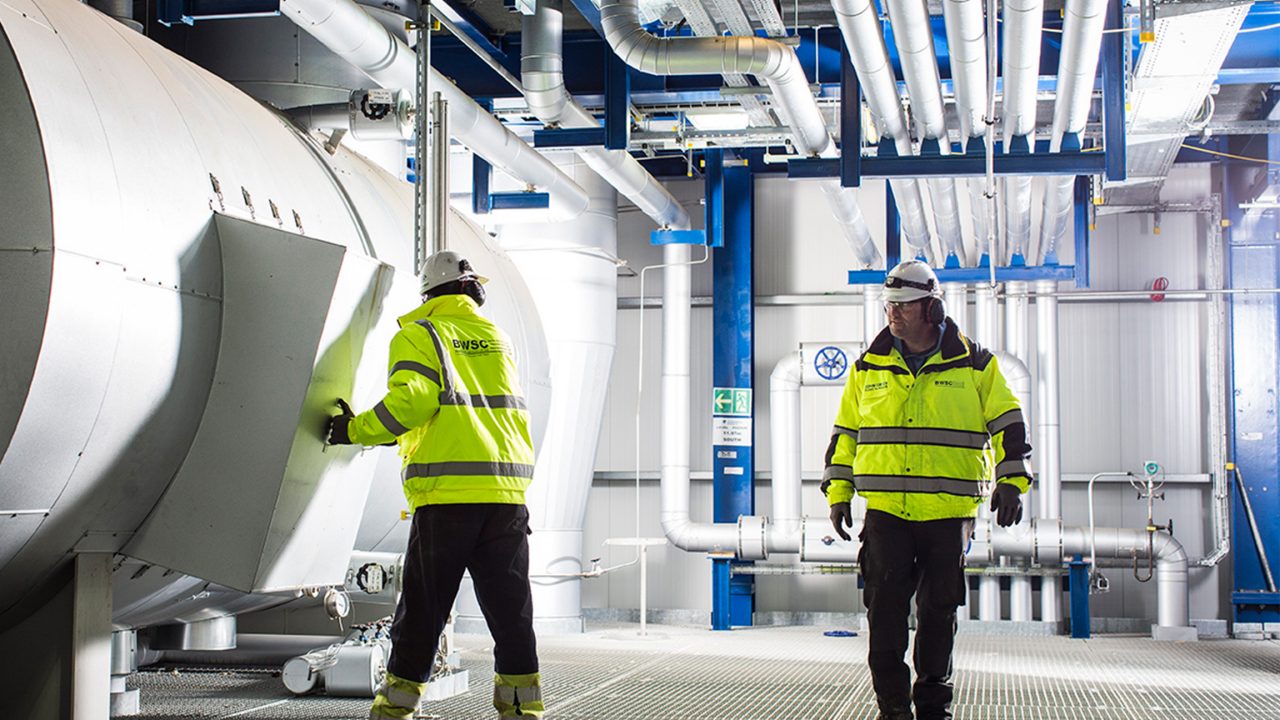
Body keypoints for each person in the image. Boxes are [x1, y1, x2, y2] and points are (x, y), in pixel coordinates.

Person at [327, 250, 544, 720]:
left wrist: (355, 429)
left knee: (423, 614)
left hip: (446, 498)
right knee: (512, 617)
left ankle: (395, 713)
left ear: (429, 293)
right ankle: (524, 713)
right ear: (470, 289)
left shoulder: (419, 333)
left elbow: (414, 402)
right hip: (505, 498)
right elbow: (468, 409)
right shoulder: (497, 336)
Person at [822, 260, 1032, 720]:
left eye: (903, 306)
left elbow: (1008, 425)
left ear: (932, 308)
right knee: (884, 617)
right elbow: (845, 434)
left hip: (946, 513)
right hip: (887, 514)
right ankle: (893, 708)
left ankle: (934, 708)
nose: (893, 314)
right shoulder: (868, 367)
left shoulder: (975, 365)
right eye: (889, 305)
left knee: (938, 615)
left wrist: (1012, 481)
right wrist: (838, 492)